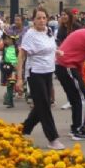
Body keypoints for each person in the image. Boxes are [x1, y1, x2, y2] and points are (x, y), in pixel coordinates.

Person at [15, 8, 64, 150]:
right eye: (38, 18)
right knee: (44, 106)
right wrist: (19, 78)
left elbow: (49, 47)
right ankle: (52, 138)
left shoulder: (48, 31)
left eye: (44, 18)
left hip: (48, 71)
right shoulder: (30, 34)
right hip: (35, 73)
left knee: (44, 104)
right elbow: (21, 56)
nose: (42, 20)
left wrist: (57, 51)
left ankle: (24, 129)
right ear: (33, 20)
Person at [1, 36, 18, 107]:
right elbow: (3, 59)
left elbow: (19, 58)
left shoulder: (17, 49)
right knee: (9, 85)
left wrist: (17, 66)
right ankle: (10, 101)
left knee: (12, 85)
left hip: (14, 69)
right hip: (7, 69)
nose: (6, 41)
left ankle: (9, 100)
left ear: (12, 40)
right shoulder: (5, 49)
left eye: (8, 39)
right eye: (5, 39)